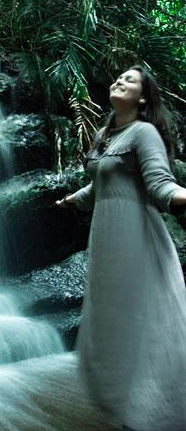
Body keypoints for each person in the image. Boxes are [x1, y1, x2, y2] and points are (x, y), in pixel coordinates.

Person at [56, 66, 186, 431]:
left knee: (145, 317)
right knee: (114, 318)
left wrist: (181, 196)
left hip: (137, 236)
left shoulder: (143, 132)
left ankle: (156, 407)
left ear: (143, 98)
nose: (118, 81)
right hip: (107, 239)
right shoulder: (104, 135)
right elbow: (98, 187)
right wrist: (72, 199)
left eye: (130, 80)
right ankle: (124, 401)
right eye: (118, 78)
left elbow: (160, 185)